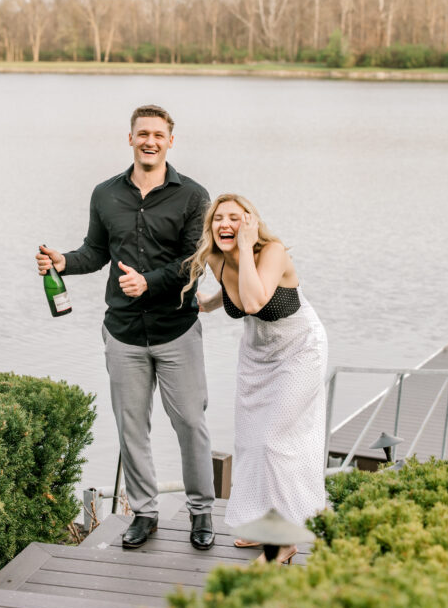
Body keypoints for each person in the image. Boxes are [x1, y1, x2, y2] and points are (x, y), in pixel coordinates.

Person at [36, 105, 216, 550]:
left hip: (177, 329)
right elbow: (95, 252)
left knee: (191, 423)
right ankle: (145, 513)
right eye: (142, 134)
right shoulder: (105, 193)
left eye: (158, 134)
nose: (149, 141)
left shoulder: (193, 196)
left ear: (171, 141)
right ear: (130, 138)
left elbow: (195, 263)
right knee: (131, 427)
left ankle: (201, 513)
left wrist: (149, 283)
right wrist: (64, 262)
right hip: (122, 333)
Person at [184, 193, 327, 564]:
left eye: (235, 217)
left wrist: (246, 247)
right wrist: (207, 304)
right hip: (257, 354)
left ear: (250, 222)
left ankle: (283, 540)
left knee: (274, 441)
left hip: (299, 349)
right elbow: (232, 291)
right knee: (250, 443)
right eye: (218, 218)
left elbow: (253, 302)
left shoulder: (273, 251)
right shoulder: (217, 258)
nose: (225, 224)